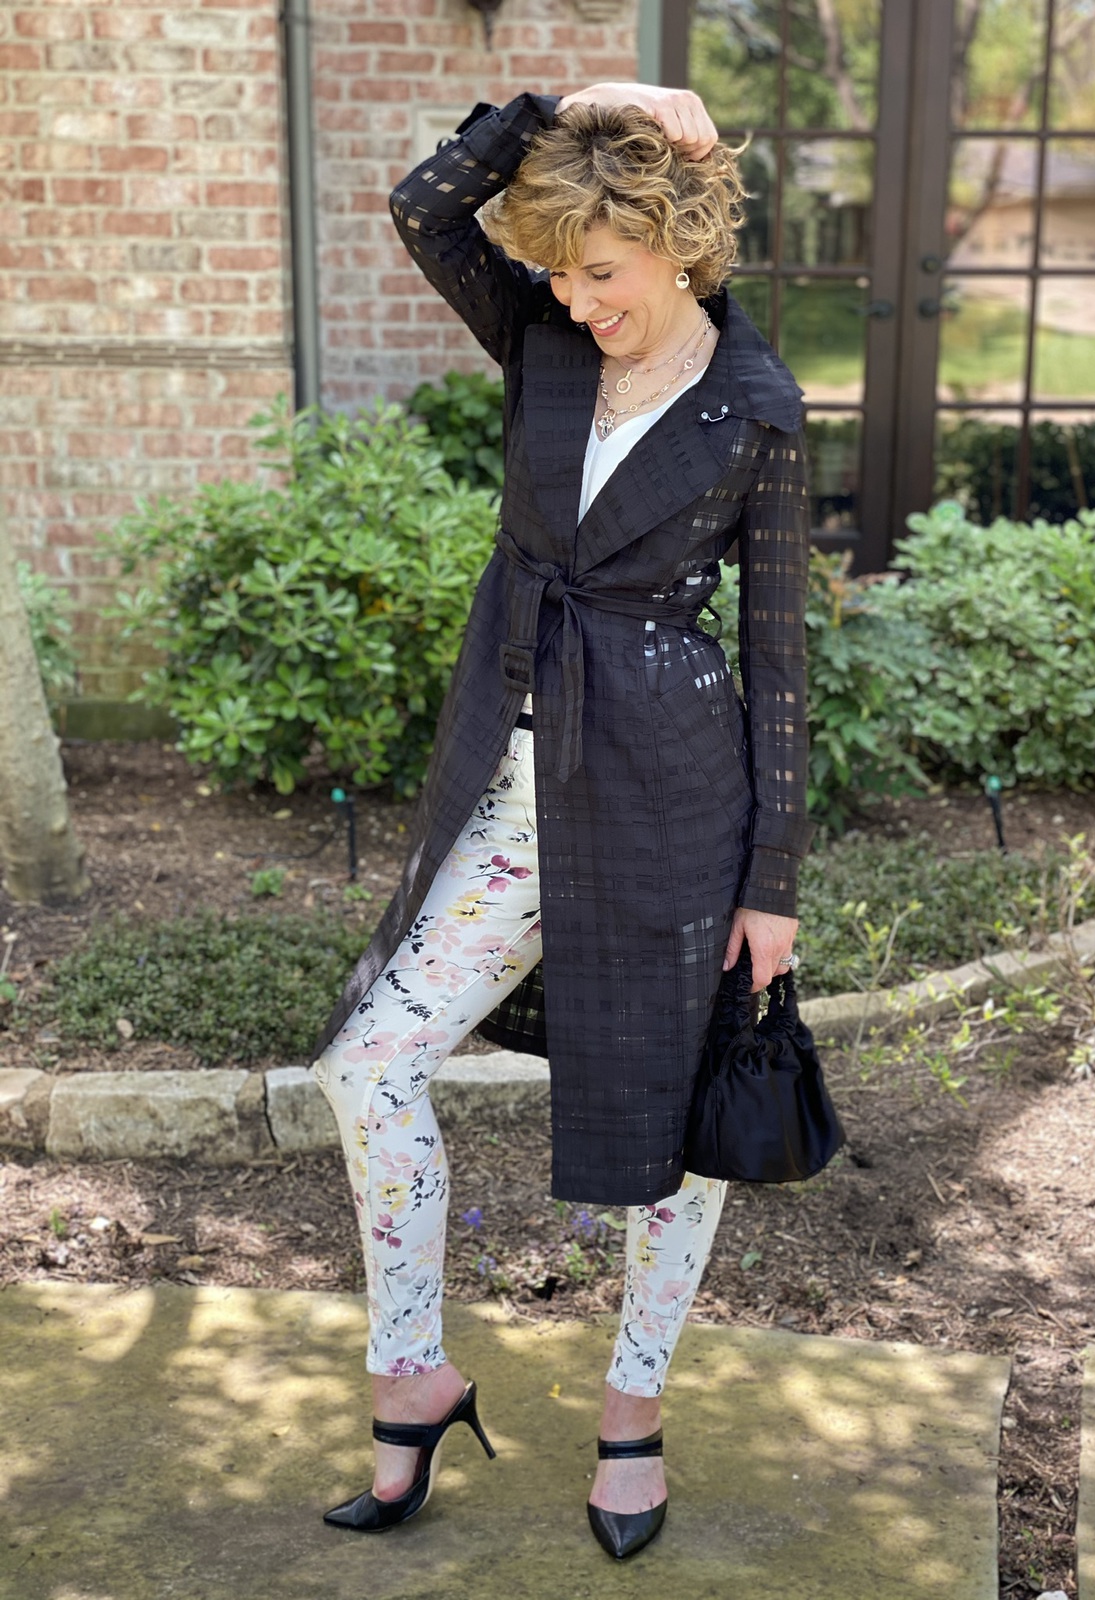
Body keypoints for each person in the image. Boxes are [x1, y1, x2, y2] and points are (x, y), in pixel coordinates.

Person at [311, 82, 812, 1560]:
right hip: (514, 788)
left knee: (669, 1131)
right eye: (563, 271)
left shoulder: (756, 408)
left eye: (604, 272)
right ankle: (413, 1366)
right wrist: (566, 105)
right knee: (372, 1064)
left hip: (671, 801)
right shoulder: (535, 336)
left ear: (678, 245)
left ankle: (633, 1412)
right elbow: (422, 206)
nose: (577, 299)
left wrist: (770, 879)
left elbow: (783, 659)